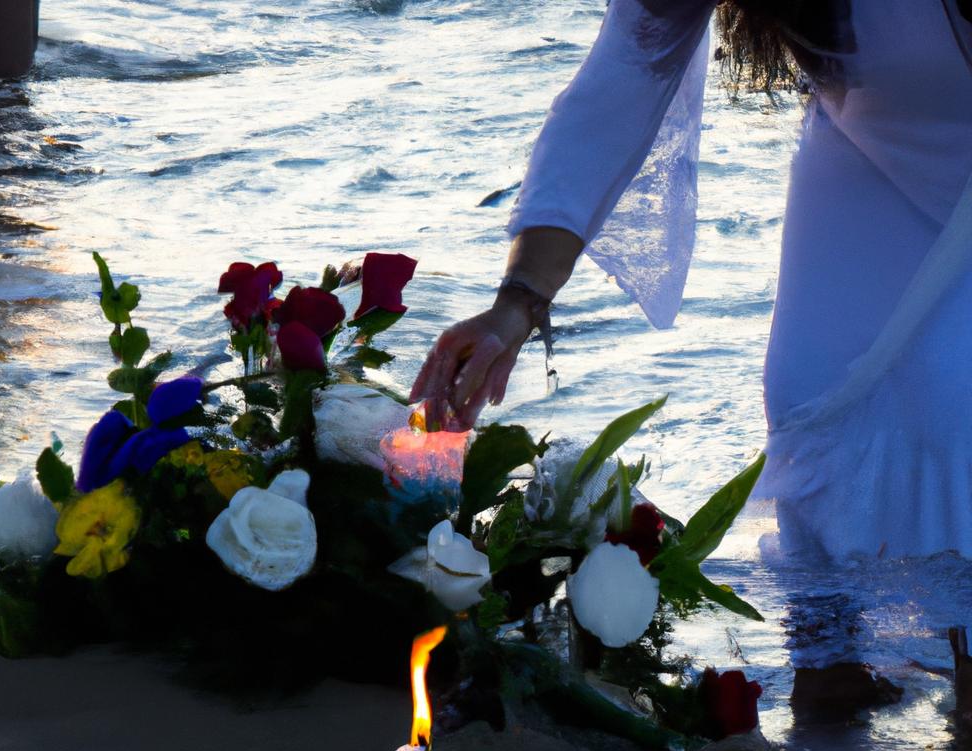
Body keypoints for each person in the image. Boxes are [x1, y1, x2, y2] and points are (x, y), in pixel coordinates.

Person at [411, 0, 972, 563]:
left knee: (951, 392)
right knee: (807, 394)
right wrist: (518, 303)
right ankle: (833, 643)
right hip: (870, 145)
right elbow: (624, 73)